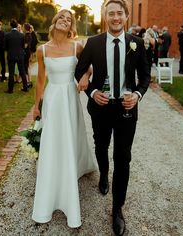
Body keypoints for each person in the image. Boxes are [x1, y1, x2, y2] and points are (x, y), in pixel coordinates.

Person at [75, 0, 150, 235]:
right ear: (105, 17)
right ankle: (104, 174)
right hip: (101, 107)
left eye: (119, 13)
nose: (115, 18)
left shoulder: (137, 44)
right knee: (101, 146)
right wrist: (93, 92)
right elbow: (79, 71)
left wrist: (137, 94)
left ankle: (117, 209)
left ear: (126, 16)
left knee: (123, 157)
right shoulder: (94, 43)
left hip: (126, 109)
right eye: (111, 14)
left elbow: (145, 77)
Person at [32, 9, 97, 228]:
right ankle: (53, 174)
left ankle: (74, 168)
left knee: (72, 135)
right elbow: (41, 80)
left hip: (70, 96)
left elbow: (88, 68)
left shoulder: (77, 46)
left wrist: (86, 78)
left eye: (69, 20)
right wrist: (36, 105)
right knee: (53, 138)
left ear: (71, 26)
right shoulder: (42, 50)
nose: (65, 21)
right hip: (52, 98)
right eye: (62, 17)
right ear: (55, 21)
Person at [4, 19, 28, 93]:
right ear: (17, 25)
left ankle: (10, 90)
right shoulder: (21, 35)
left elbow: (5, 47)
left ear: (10, 25)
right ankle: (25, 88)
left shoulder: (7, 35)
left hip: (11, 55)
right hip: (20, 56)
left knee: (11, 73)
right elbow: (23, 46)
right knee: (22, 72)